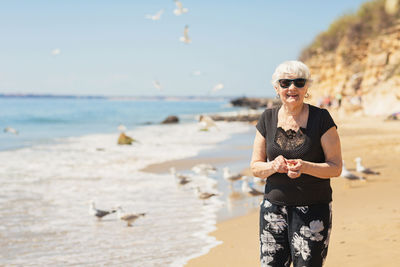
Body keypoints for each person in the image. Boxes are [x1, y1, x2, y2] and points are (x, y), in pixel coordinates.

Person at [250, 60, 342, 267]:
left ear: (306, 87)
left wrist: (305, 166)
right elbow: (255, 166)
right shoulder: (267, 118)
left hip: (313, 210)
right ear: (276, 88)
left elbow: (336, 167)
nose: (292, 88)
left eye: (299, 82)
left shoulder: (322, 119)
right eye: (285, 83)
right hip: (273, 210)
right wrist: (273, 166)